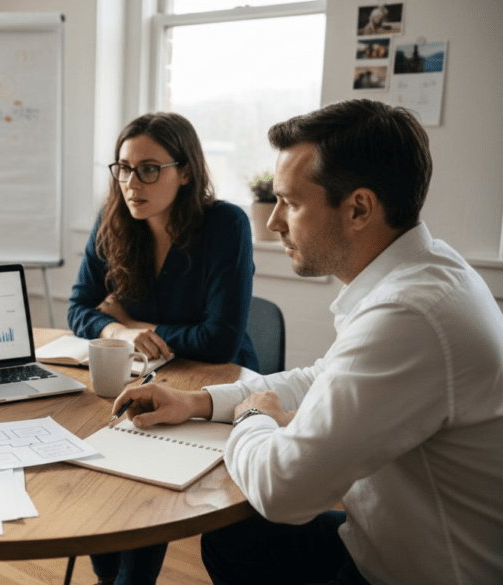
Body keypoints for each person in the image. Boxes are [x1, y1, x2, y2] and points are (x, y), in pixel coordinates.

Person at [109, 99, 503, 584]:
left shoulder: (409, 314)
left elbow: (282, 493)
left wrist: (253, 416)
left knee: (252, 522)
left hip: (416, 573)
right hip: (385, 541)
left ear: (359, 208)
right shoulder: (422, 273)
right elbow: (323, 377)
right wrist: (198, 401)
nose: (274, 222)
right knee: (236, 538)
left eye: (291, 203)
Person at [67, 112, 258, 584]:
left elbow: (219, 339)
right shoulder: (113, 220)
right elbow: (79, 307)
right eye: (124, 168)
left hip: (215, 388)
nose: (132, 183)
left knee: (143, 491)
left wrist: (136, 323)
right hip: (144, 376)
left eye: (149, 169)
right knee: (95, 459)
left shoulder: (225, 224)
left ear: (185, 171)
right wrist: (118, 333)